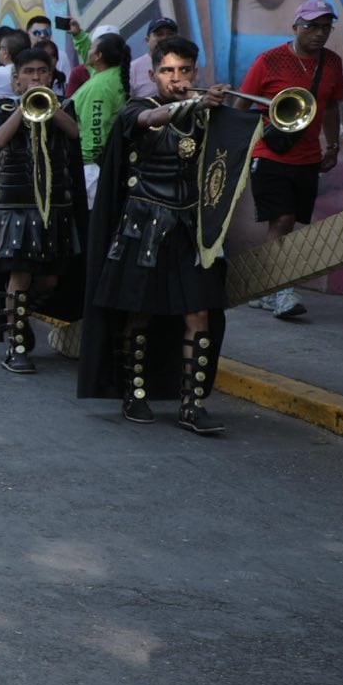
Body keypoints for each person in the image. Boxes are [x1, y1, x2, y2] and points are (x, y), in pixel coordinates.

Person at [78, 36, 230, 435]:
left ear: (195, 72)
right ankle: (135, 394)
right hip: (143, 226)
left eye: (184, 71)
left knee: (199, 313)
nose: (176, 79)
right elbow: (147, 123)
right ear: (153, 74)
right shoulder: (137, 109)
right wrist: (194, 102)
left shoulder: (207, 114)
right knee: (139, 312)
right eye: (167, 71)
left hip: (192, 229)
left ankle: (191, 405)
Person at [243, 0, 343, 322]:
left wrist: (333, 147)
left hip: (308, 157)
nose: (319, 33)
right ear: (295, 27)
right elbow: (242, 106)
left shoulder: (332, 63)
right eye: (312, 26)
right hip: (269, 154)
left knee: (289, 225)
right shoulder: (269, 61)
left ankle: (263, 288)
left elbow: (330, 107)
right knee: (282, 219)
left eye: (325, 28)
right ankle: (283, 292)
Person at [0, 47, 82, 373]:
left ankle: (19, 317)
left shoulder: (63, 106)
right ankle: (16, 345)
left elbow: (75, 133)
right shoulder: (2, 107)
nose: (36, 77)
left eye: (42, 72)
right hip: (15, 205)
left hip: (53, 205)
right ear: (16, 79)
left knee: (50, 280)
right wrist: (23, 107)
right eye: (29, 72)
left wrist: (50, 107)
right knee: (20, 273)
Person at [70, 32, 132, 204]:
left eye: (91, 48)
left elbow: (95, 128)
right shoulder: (111, 73)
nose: (88, 51)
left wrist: (85, 161)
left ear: (98, 56)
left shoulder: (99, 87)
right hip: (102, 164)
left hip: (92, 170)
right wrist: (79, 37)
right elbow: (89, 61)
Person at [130, 17, 177, 99]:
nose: (165, 38)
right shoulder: (133, 69)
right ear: (147, 40)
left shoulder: (187, 62)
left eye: (170, 34)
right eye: (159, 34)